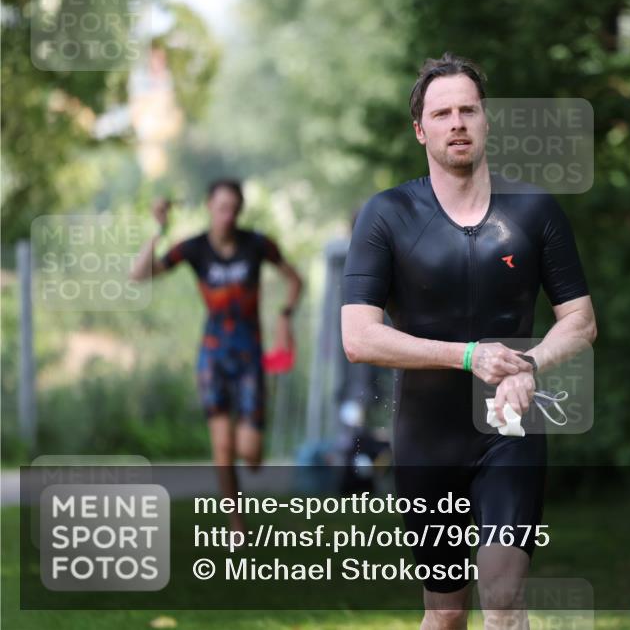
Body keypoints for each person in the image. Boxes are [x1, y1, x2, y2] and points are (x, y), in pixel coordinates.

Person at [341, 53, 597, 629]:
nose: (456, 122)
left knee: (503, 599)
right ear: (420, 129)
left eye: (468, 110)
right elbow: (358, 338)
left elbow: (580, 319)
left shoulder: (535, 211)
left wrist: (527, 363)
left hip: (510, 429)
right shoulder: (387, 216)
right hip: (426, 440)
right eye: (442, 113)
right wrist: (467, 356)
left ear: (486, 121)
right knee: (447, 615)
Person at [130, 179, 303, 535]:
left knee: (250, 456)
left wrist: (285, 316)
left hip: (250, 358)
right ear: (209, 207)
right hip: (212, 356)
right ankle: (236, 525)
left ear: (239, 211)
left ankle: (252, 456)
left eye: (233, 209)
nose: (227, 216)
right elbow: (139, 274)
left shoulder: (257, 244)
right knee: (222, 447)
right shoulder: (193, 249)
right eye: (221, 208)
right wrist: (158, 230)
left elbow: (295, 280)